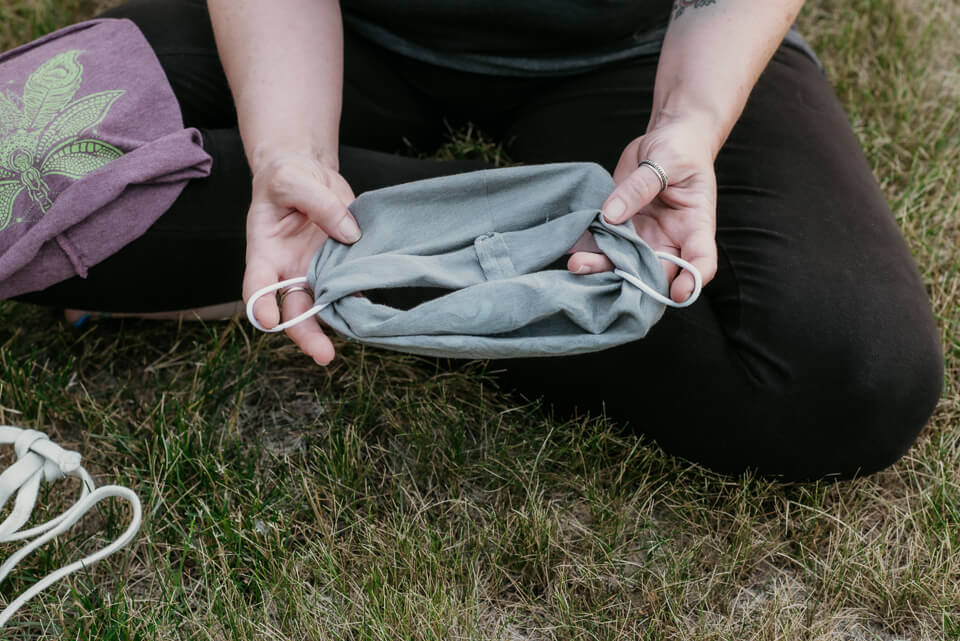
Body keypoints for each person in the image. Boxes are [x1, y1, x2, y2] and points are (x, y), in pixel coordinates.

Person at [13, 0, 943, 480]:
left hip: (643, 52)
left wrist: (688, 124)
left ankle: (333, 274)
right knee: (16, 169)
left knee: (851, 372)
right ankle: (490, 264)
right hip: (324, 32)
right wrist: (285, 153)